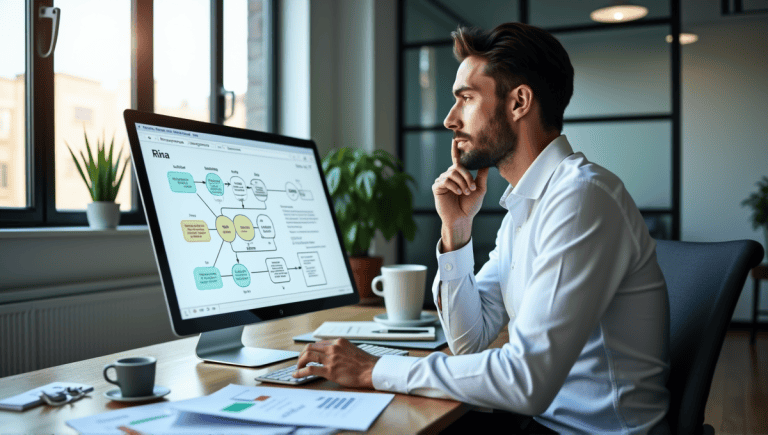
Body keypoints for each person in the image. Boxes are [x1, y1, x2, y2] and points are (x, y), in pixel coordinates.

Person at [295, 22, 671, 434]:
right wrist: (456, 230)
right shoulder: (525, 211)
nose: (449, 120)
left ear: (519, 102)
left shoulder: (581, 198)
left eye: (466, 99)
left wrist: (375, 369)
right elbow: (468, 343)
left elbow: (525, 382)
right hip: (539, 421)